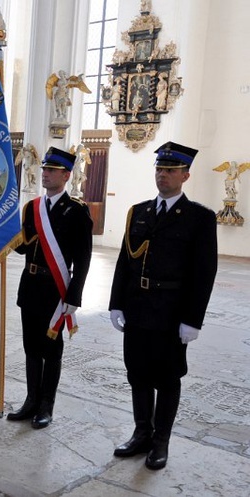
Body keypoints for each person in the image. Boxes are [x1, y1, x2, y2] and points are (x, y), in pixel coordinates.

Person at [109, 142, 217, 470]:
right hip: (138, 309)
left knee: (168, 379)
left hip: (172, 313)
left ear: (185, 175)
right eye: (159, 169)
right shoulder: (139, 211)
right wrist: (116, 304)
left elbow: (204, 272)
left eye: (170, 170)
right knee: (137, 374)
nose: (163, 175)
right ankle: (141, 433)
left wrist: (192, 320)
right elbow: (125, 262)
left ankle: (160, 442)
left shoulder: (199, 218)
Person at [7, 147, 93, 429]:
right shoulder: (32, 208)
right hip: (30, 286)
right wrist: (4, 232)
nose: (45, 174)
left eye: (51, 170)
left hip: (55, 290)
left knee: (51, 351)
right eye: (44, 169)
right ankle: (31, 400)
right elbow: (23, 248)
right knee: (31, 347)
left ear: (66, 175)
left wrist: (74, 297)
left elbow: (82, 259)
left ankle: (46, 405)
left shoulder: (77, 211)